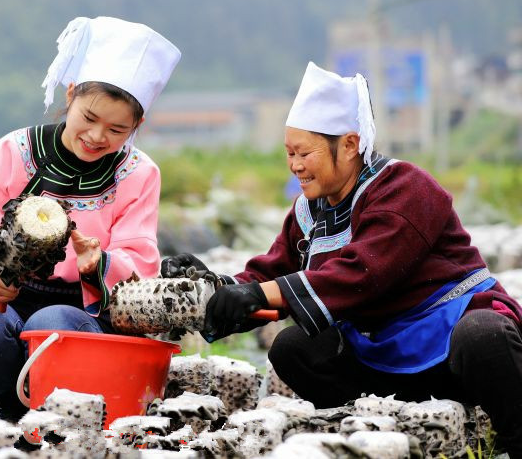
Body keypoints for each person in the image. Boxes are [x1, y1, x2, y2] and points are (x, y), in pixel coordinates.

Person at [162, 62, 522, 456]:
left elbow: (363, 273)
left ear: (349, 145)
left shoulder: (406, 189)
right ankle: (372, 431)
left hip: (449, 335)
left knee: (484, 336)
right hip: (381, 352)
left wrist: (262, 294)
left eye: (304, 152)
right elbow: (271, 271)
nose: (295, 164)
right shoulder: (308, 211)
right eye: (289, 153)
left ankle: (513, 438)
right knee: (293, 347)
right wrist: (213, 287)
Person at [0, 16, 181, 421]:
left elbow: (140, 257)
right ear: (70, 94)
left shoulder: (140, 174)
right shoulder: (13, 152)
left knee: (52, 325)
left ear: (137, 125)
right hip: (7, 291)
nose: (97, 136)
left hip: (81, 306)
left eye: (117, 129)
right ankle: (13, 403)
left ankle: (54, 415)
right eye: (89, 118)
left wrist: (98, 264)